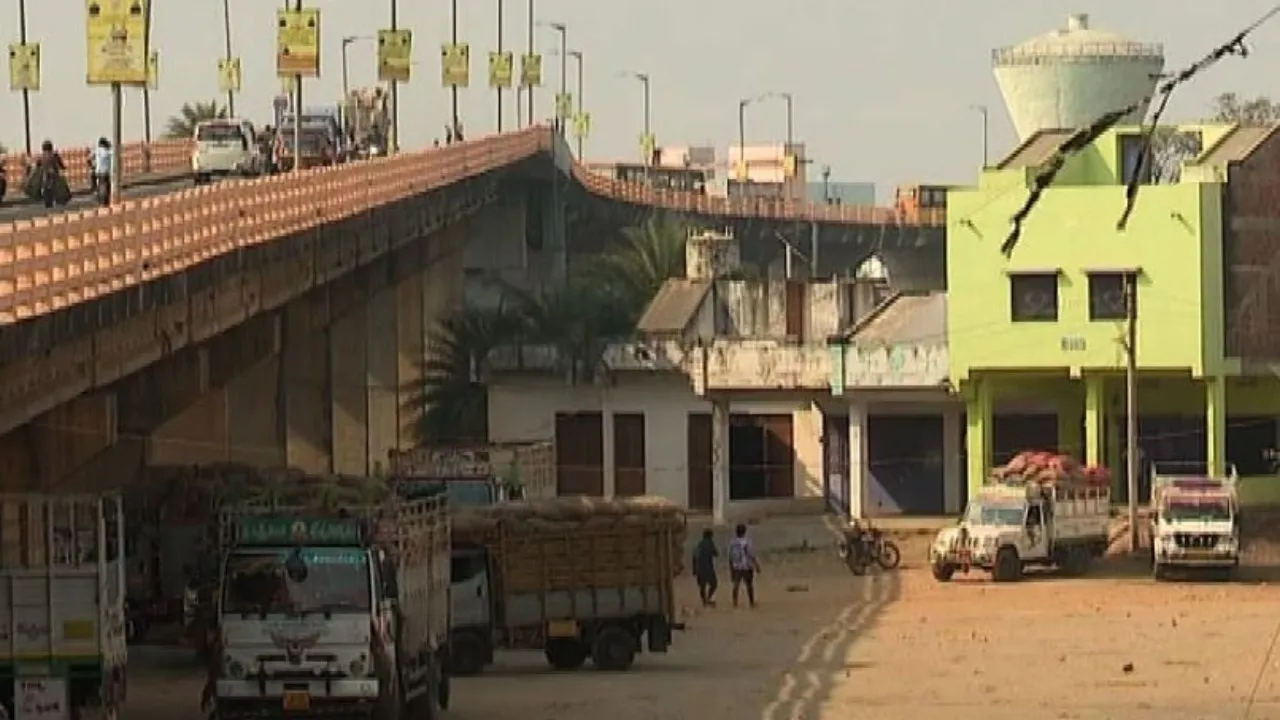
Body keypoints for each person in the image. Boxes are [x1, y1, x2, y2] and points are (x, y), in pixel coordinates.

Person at [727, 523, 760, 608]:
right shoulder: (747, 541)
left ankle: (735, 603)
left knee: (736, 585)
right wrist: (757, 565)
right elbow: (751, 554)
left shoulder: (732, 542)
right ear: (745, 532)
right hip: (747, 566)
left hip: (736, 566)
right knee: (749, 585)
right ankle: (751, 602)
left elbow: (730, 556)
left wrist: (731, 568)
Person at [691, 529, 719, 607]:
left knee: (702, 587)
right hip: (709, 568)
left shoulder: (699, 544)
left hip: (700, 568)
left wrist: (694, 569)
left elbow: (694, 557)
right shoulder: (710, 543)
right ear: (710, 536)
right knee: (714, 584)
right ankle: (708, 598)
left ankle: (704, 601)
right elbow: (716, 554)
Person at [91, 138, 112, 205]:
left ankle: (101, 200)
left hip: (99, 171)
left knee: (101, 186)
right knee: (106, 186)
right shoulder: (108, 151)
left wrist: (92, 165)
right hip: (106, 171)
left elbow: (89, 158)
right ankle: (105, 201)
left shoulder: (97, 151)